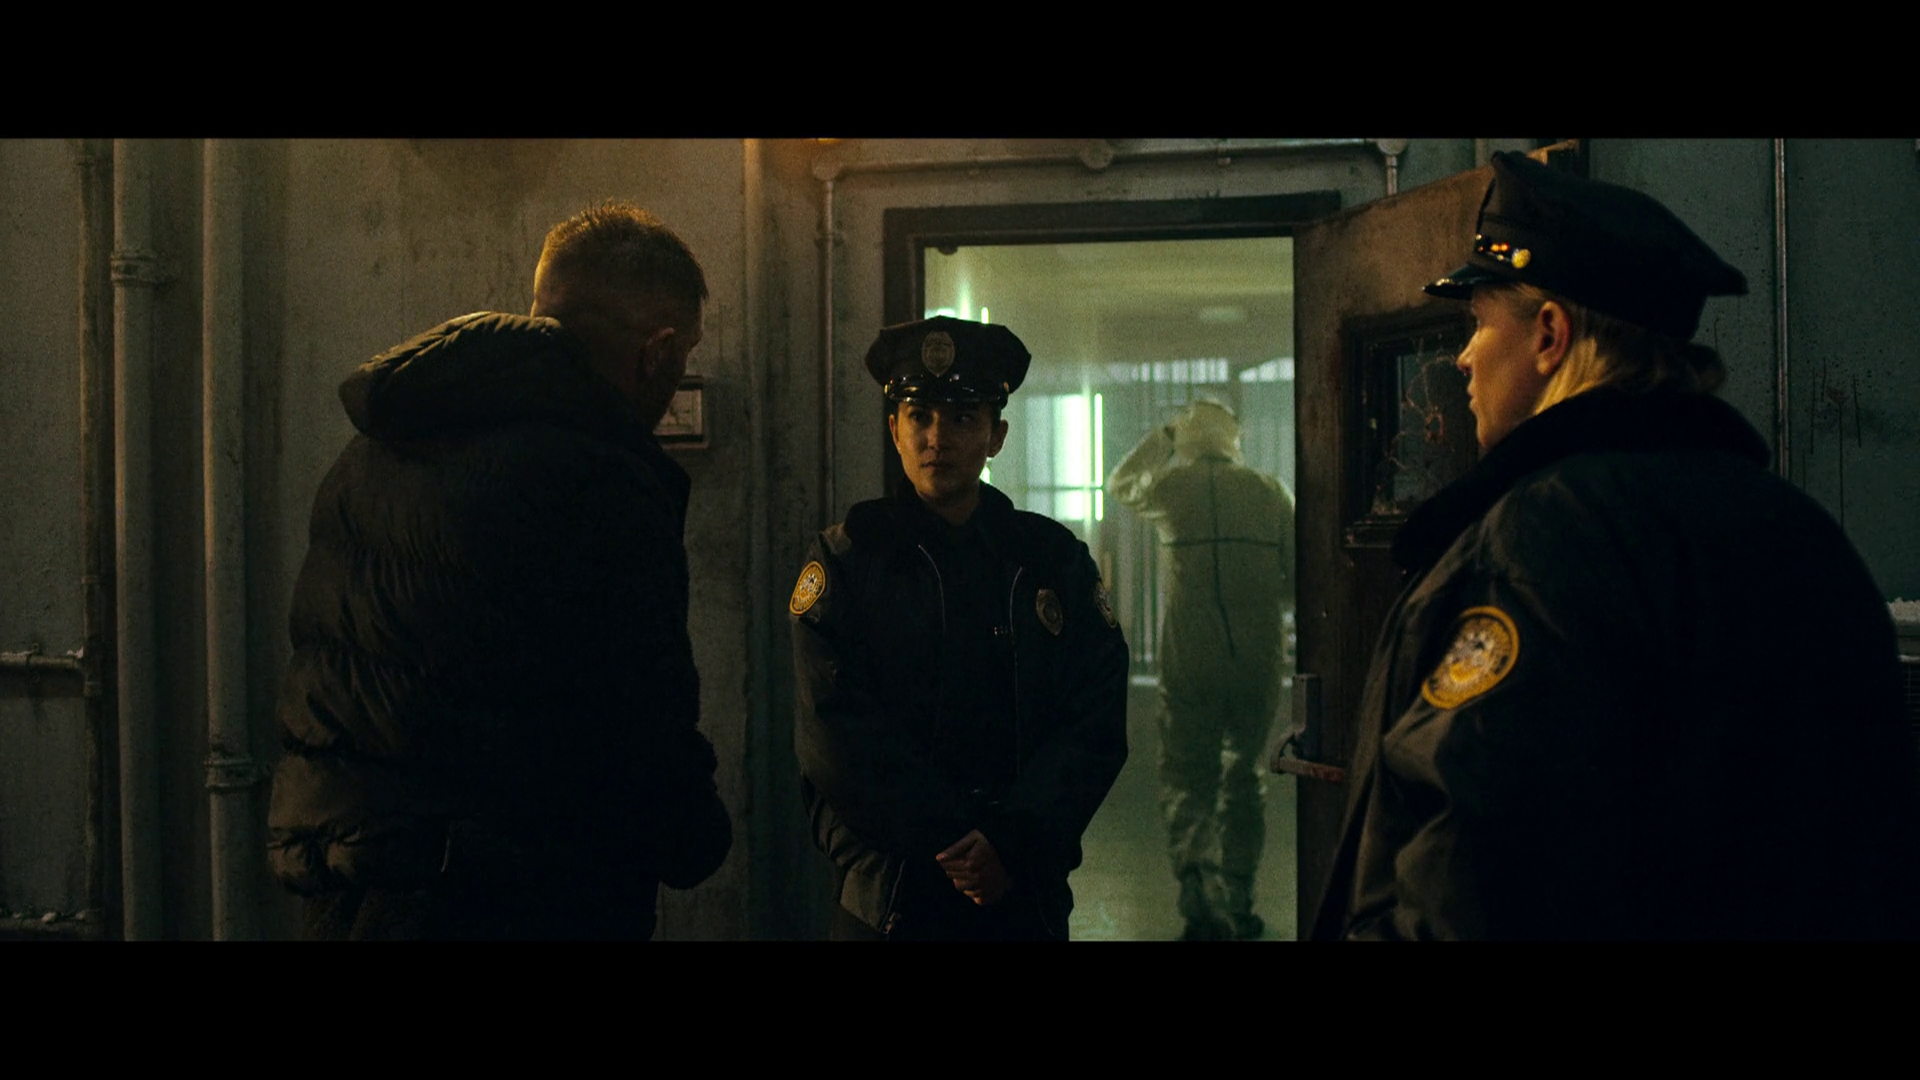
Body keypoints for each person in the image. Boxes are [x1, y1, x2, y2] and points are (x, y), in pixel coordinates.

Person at [1311, 152, 1920, 940]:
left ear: (1550, 335)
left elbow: (1477, 883)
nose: (1462, 357)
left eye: (1480, 323)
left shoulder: (1543, 544)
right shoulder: (1798, 529)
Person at [266, 202, 732, 940]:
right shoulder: (600, 477)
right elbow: (636, 714)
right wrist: (696, 835)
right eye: (682, 357)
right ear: (658, 350)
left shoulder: (380, 444)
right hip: (511, 895)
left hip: (351, 886)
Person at [792, 316, 1130, 941]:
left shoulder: (1052, 562)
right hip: (891, 896)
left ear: (996, 436)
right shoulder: (848, 561)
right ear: (894, 429)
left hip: (1020, 892)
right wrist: (953, 843)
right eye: (919, 416)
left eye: (963, 418)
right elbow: (834, 732)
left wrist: (1014, 839)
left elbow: (1095, 720)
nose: (937, 439)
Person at [1108, 400, 1295, 940]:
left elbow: (1120, 483)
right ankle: (1239, 899)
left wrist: (1161, 438)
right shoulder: (1270, 491)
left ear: (1186, 439)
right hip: (1257, 658)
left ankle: (1200, 893)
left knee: (1188, 777)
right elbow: (1296, 575)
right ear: (1235, 436)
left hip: (1189, 657)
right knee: (1245, 777)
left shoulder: (1172, 489)